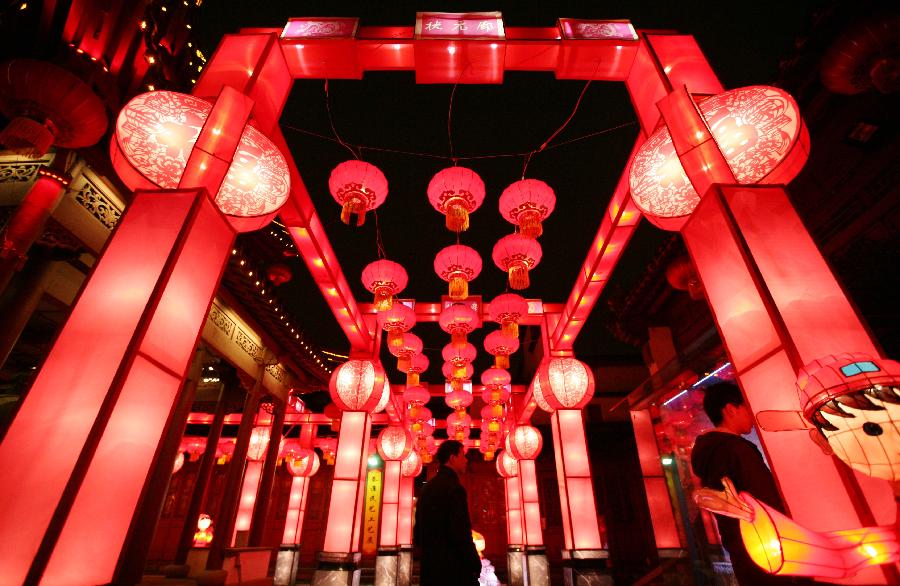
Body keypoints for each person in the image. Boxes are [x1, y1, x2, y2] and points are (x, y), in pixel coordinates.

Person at [691, 382, 799, 585]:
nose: (751, 413)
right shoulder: (736, 450)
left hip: (741, 548)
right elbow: (766, 500)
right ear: (730, 409)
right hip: (766, 547)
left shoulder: (709, 452)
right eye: (747, 406)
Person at [414, 439, 481, 585]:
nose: (466, 460)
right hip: (454, 570)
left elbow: (417, 532)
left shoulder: (426, 488)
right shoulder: (454, 489)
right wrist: (474, 563)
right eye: (463, 455)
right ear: (452, 458)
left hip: (431, 569)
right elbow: (461, 532)